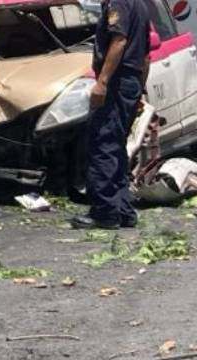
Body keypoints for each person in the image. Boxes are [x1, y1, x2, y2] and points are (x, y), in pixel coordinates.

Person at [70, 0, 151, 229]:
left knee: (102, 145)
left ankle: (105, 212)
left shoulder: (119, 3)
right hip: (131, 81)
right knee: (116, 147)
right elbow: (146, 55)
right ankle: (123, 210)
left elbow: (119, 40)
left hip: (117, 81)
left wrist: (102, 82)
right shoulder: (141, 5)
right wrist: (139, 90)